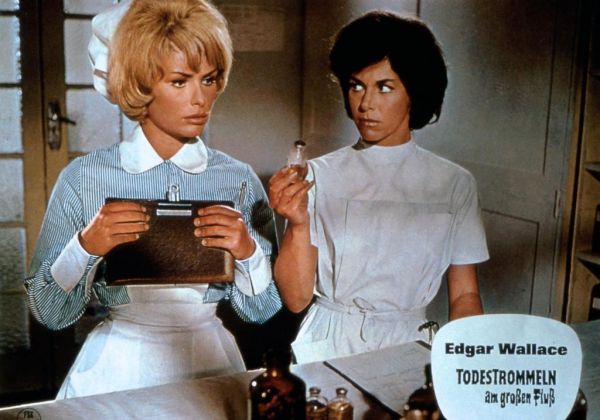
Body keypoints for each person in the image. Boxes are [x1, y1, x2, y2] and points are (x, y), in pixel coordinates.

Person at [25, 0, 281, 398]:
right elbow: (49, 312)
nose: (200, 99)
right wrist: (86, 246)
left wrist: (247, 253)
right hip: (118, 367)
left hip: (211, 361)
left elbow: (262, 311)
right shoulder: (84, 178)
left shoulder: (238, 179)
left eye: (209, 80)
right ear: (141, 85)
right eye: (180, 82)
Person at [268, 11, 489, 363]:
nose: (365, 104)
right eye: (356, 85)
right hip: (328, 340)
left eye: (384, 87)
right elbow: (296, 300)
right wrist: (297, 224)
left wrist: (467, 364)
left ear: (414, 91)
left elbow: (465, 295)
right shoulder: (317, 175)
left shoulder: (454, 183)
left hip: (410, 342)